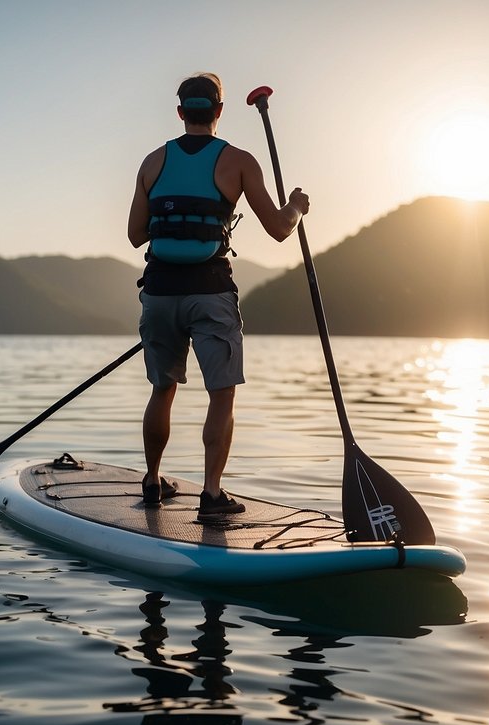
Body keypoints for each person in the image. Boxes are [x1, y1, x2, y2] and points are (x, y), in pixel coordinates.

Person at [128, 72, 309, 519]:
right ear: (219, 112)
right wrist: (299, 207)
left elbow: (135, 235)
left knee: (162, 388)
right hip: (211, 292)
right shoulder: (240, 161)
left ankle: (152, 482)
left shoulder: (152, 162)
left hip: (160, 293)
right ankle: (211, 495)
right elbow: (280, 229)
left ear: (179, 112)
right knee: (221, 394)